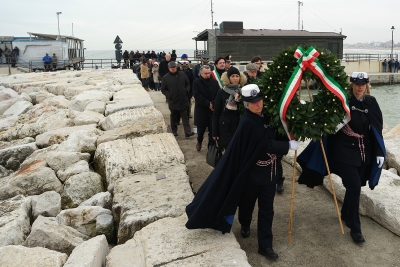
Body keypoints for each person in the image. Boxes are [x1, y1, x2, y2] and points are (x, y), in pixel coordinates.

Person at [186, 84, 300, 261]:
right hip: (252, 173)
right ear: (246, 104)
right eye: (253, 102)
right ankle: (245, 223)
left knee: (267, 210)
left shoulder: (268, 115)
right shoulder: (247, 121)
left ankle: (265, 245)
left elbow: (277, 133)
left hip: (269, 172)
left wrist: (290, 134)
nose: (258, 104)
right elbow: (264, 144)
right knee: (247, 205)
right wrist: (287, 146)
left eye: (260, 100)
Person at [298, 72, 385, 244]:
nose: (360, 87)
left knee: (356, 185)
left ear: (367, 85)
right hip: (344, 152)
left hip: (363, 153)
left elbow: (377, 128)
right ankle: (355, 227)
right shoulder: (343, 101)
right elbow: (328, 121)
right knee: (353, 186)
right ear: (351, 84)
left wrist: (380, 152)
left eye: (363, 84)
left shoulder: (371, 102)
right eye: (357, 84)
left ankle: (345, 213)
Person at [212, 67, 247, 150]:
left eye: (237, 76)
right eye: (233, 76)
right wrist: (215, 132)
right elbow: (216, 113)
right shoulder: (221, 92)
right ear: (228, 78)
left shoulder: (242, 91)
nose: (235, 78)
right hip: (225, 127)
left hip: (238, 125)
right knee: (227, 151)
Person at [161, 61, 194, 138]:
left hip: (183, 99)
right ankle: (174, 131)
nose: (173, 69)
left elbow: (188, 83)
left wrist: (186, 91)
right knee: (174, 117)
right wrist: (169, 95)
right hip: (173, 100)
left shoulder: (182, 74)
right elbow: (163, 89)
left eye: (174, 67)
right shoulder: (166, 78)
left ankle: (187, 132)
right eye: (171, 68)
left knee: (185, 117)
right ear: (169, 68)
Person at [192, 65, 219, 151]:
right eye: (205, 73)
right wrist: (208, 104)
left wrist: (213, 103)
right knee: (201, 131)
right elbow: (197, 95)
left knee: (212, 130)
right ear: (201, 73)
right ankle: (199, 141)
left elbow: (218, 94)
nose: (207, 75)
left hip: (212, 110)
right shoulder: (196, 82)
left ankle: (211, 147)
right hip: (202, 110)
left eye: (209, 73)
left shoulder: (214, 82)